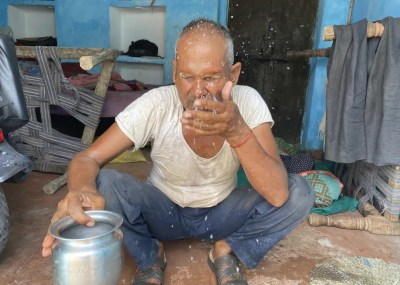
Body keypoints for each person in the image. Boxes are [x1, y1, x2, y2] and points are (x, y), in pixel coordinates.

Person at [42, 18, 315, 285]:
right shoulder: (157, 104)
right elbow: (87, 158)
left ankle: (226, 249)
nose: (197, 91)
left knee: (300, 191)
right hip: (162, 214)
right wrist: (81, 190)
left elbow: (278, 192)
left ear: (233, 74)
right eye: (187, 77)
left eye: (210, 77)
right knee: (103, 182)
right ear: (174, 72)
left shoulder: (248, 101)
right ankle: (151, 255)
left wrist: (237, 132)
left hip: (223, 215)